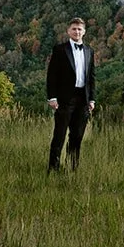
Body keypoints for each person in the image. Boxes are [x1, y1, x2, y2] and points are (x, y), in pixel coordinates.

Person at [46, 18, 96, 173]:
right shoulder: (60, 50)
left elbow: (92, 77)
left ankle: (72, 168)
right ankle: (53, 169)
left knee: (77, 136)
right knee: (59, 135)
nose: (77, 32)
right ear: (68, 31)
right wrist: (52, 97)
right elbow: (52, 75)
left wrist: (92, 99)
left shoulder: (89, 51)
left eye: (80, 29)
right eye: (74, 29)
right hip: (64, 98)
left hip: (83, 99)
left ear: (84, 32)